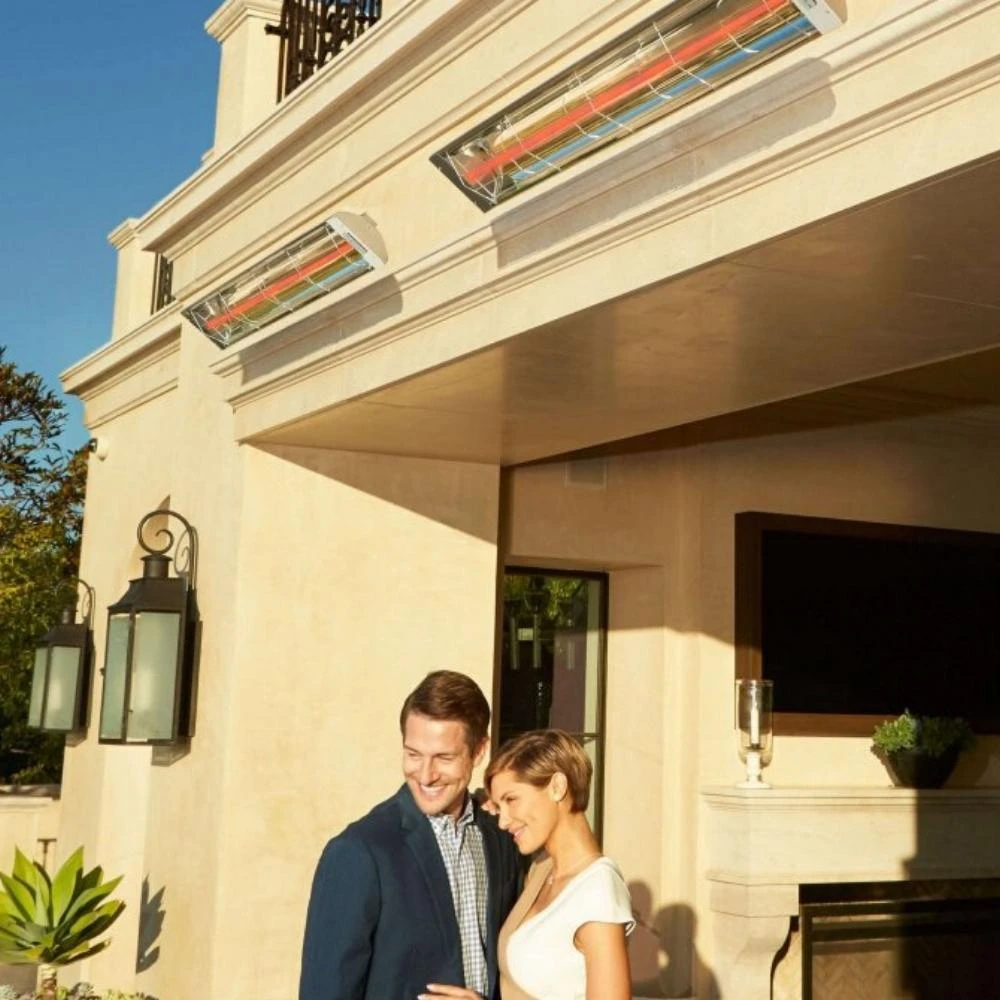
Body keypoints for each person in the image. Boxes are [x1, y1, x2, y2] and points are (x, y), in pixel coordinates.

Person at [299, 670, 522, 1000]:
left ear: (478, 751)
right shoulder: (358, 852)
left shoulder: (499, 837)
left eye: (443, 758)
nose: (426, 775)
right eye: (414, 754)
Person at [486, 730, 634, 1000]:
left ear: (557, 787)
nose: (503, 821)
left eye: (512, 799)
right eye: (499, 806)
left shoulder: (598, 890)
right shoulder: (542, 871)